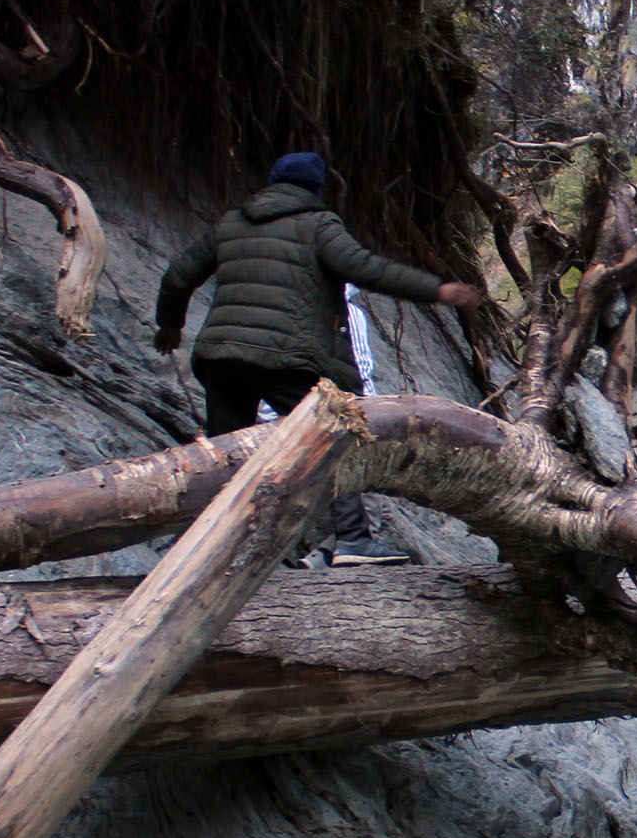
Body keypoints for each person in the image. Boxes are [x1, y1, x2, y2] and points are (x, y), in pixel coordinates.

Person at [155, 151, 482, 565]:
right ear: (316, 189)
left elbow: (178, 276)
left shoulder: (231, 223)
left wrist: (170, 327)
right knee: (335, 436)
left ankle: (218, 549)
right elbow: (365, 268)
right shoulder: (319, 225)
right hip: (288, 359)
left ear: (272, 183)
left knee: (227, 454)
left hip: (222, 357)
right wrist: (437, 290)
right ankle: (352, 541)